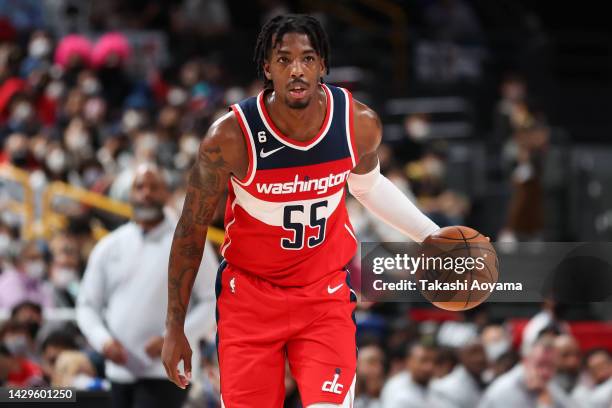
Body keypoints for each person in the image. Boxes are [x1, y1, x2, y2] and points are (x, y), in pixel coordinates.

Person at [161, 13, 440, 408]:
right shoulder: (230, 137)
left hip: (323, 295)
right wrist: (176, 326)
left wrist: (430, 235)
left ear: (323, 65)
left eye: (307, 59)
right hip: (250, 300)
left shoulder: (357, 124)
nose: (296, 70)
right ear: (267, 67)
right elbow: (190, 229)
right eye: (284, 59)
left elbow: (369, 186)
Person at [77, 163, 218, 408]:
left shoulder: (188, 243)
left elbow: (211, 299)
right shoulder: (110, 246)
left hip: (167, 372)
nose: (146, 193)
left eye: (154, 187)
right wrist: (103, 342)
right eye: (139, 187)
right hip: (119, 370)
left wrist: (172, 338)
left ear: (166, 193)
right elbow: (87, 304)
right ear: (129, 194)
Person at [478, 335, 573, 408]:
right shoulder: (505, 390)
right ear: (525, 362)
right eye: (540, 364)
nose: (545, 372)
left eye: (551, 366)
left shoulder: (546, 385)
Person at [429, 340, 488, 408]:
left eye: (482, 352)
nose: (479, 358)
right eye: (473, 353)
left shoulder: (489, 378)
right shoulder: (445, 388)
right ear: (461, 357)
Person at [380, 342, 437, 408]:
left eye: (434, 361)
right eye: (423, 360)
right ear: (409, 361)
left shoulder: (437, 386)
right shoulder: (396, 387)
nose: (429, 367)